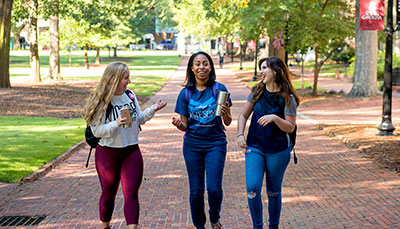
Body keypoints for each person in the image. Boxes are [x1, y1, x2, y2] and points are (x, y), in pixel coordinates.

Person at [83, 62, 167, 229]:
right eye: (125, 78)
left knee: (131, 194)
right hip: (107, 154)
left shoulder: (129, 95)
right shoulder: (101, 101)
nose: (128, 81)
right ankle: (105, 226)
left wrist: (153, 109)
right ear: (114, 79)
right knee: (108, 194)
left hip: (131, 151)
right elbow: (97, 131)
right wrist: (116, 123)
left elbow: (140, 119)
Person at [236, 57, 300, 229]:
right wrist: (240, 135)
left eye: (264, 68)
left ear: (276, 71)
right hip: (255, 146)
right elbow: (243, 115)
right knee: (252, 188)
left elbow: (290, 127)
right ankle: (258, 226)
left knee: (273, 191)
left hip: (278, 150)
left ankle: (273, 226)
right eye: (261, 68)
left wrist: (275, 118)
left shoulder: (288, 98)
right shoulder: (257, 91)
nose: (261, 71)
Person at [172, 51, 232, 229]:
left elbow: (227, 121)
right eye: (197, 64)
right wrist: (178, 124)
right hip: (193, 145)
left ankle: (215, 218)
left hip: (216, 143)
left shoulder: (219, 89)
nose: (201, 67)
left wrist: (227, 113)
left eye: (205, 63)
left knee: (214, 188)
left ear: (211, 67)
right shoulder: (185, 93)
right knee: (196, 191)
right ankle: (200, 225)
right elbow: (184, 124)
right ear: (192, 68)